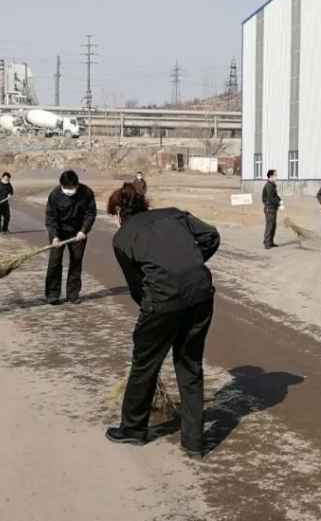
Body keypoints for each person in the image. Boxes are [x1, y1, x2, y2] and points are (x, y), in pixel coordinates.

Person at [104, 182, 220, 460]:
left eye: (113, 215)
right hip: (200, 294)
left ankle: (133, 429)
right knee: (190, 364)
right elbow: (211, 236)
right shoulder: (174, 214)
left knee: (145, 364)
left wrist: (155, 298)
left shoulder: (122, 238)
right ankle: (194, 442)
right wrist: (189, 264)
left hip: (162, 303)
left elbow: (137, 286)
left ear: (119, 211)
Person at [44, 170, 97, 305]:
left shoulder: (86, 193)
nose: (68, 190)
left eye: (71, 187)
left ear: (77, 185)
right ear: (61, 185)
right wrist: (54, 236)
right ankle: (52, 294)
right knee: (55, 262)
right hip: (59, 232)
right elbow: (51, 217)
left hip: (78, 233)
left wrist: (83, 231)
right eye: (65, 187)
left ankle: (73, 294)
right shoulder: (55, 195)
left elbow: (90, 214)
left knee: (76, 262)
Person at [262, 169, 284, 249]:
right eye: (275, 175)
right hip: (269, 209)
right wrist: (278, 204)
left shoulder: (272, 185)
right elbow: (271, 198)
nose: (276, 177)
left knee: (273, 226)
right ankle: (267, 243)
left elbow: (275, 196)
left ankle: (271, 242)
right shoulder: (269, 186)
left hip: (273, 209)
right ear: (271, 176)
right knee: (269, 226)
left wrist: (280, 201)